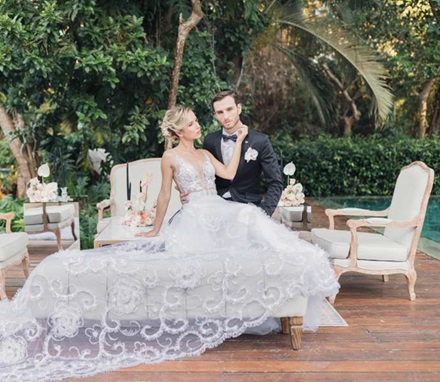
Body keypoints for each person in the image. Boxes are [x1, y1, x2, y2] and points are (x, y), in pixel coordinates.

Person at [0, 106, 339, 382]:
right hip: (194, 214)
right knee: (216, 239)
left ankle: (292, 254)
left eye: (196, 122)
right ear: (178, 131)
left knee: (248, 217)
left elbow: (230, 172)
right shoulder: (170, 158)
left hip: (218, 209)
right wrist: (155, 230)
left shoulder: (206, 151)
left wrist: (242, 139)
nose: (198, 126)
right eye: (191, 123)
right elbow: (164, 195)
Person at [203, 89, 283, 217]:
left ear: (239, 108)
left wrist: (264, 213)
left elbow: (275, 182)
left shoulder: (259, 141)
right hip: (217, 208)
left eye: (230, 109)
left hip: (248, 208)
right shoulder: (210, 141)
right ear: (215, 115)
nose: (226, 116)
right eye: (220, 112)